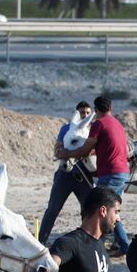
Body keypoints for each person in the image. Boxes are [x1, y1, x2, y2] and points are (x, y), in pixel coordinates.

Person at [58, 96, 131, 256]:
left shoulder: (99, 124)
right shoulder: (118, 124)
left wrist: (67, 153)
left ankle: (119, 245)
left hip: (110, 173)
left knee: (104, 208)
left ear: (96, 110)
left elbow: (85, 149)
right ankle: (120, 244)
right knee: (110, 209)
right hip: (123, 171)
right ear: (110, 108)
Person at [39, 100, 96, 244]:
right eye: (82, 112)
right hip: (65, 174)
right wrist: (64, 153)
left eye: (88, 113)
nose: (85, 115)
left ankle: (88, 242)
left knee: (87, 210)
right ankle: (41, 241)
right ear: (77, 113)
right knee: (53, 209)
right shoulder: (66, 129)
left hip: (84, 175)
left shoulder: (93, 131)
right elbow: (57, 150)